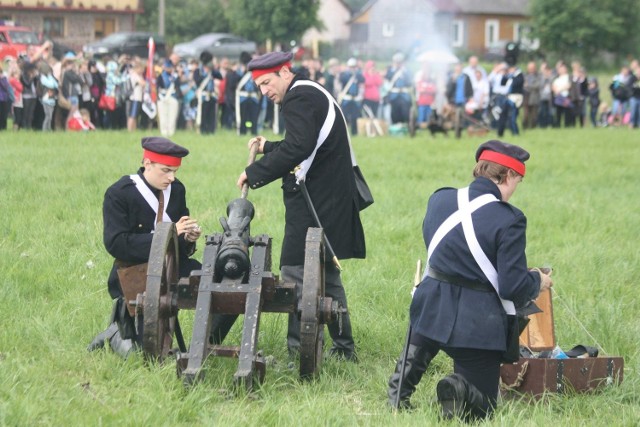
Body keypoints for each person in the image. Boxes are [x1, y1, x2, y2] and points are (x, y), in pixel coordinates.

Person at [387, 140, 553, 421]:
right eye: (518, 181)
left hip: (429, 313)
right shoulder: (510, 219)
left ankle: (398, 393)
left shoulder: (439, 199)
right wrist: (537, 280)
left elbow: (441, 253)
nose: (515, 189)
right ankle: (459, 388)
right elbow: (511, 287)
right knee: (484, 411)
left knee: (425, 324)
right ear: (509, 176)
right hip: (477, 327)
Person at [236, 51, 366, 361]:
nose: (264, 91)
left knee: (295, 268)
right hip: (327, 193)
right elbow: (306, 144)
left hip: (316, 197)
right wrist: (268, 147)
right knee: (325, 272)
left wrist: (253, 172)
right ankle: (344, 348)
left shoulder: (299, 98)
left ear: (284, 72)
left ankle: (299, 350)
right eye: (258, 86)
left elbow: (299, 147)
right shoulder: (308, 91)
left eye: (267, 82)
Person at [87, 137, 203, 358]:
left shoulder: (176, 190)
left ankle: (206, 347)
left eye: (175, 171)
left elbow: (178, 245)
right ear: (147, 163)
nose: (172, 177)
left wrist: (188, 238)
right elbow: (117, 244)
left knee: (222, 286)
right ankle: (115, 333)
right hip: (135, 272)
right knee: (142, 355)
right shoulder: (119, 193)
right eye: (166, 170)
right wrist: (168, 233)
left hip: (172, 268)